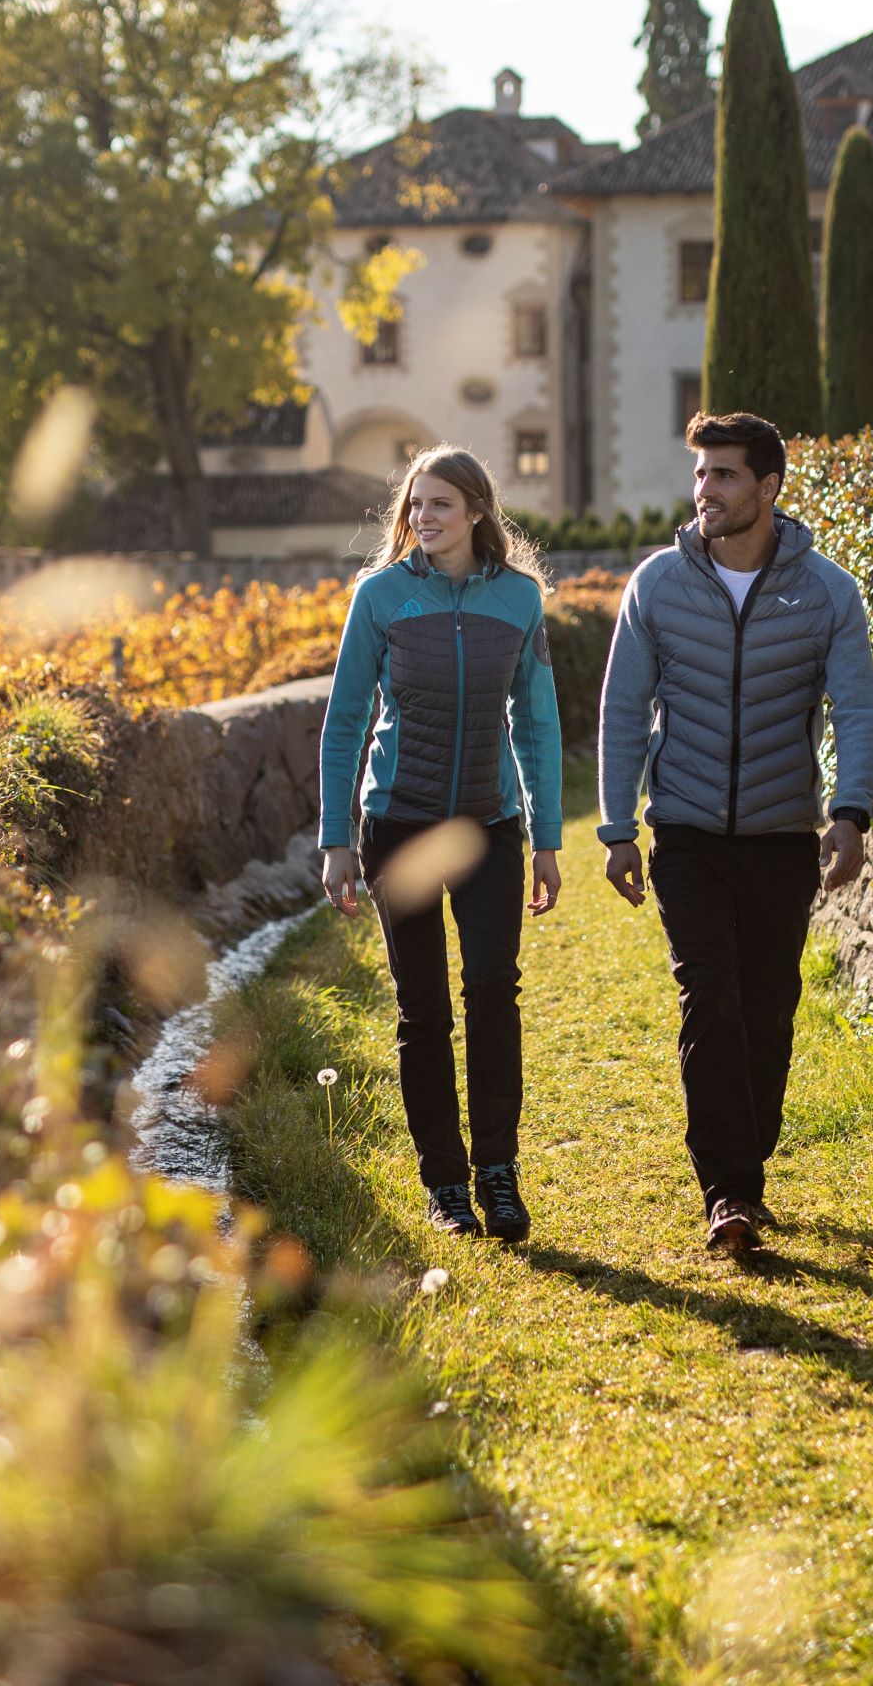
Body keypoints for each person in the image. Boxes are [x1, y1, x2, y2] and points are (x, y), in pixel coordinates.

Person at [596, 410, 873, 1257]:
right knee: (708, 1001)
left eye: (724, 475)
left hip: (781, 833)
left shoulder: (826, 590)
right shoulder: (657, 584)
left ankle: (745, 1165)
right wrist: (617, 828)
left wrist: (850, 812)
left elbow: (856, 710)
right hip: (684, 831)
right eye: (699, 475)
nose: (705, 491)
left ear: (769, 487)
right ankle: (728, 1193)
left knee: (768, 1008)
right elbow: (621, 709)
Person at [319, 446, 564, 1242]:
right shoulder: (380, 597)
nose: (424, 518)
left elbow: (536, 723)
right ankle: (445, 1184)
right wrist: (336, 841)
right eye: (415, 505)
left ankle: (498, 1172)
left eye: (441, 506)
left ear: (477, 513)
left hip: (489, 827)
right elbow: (345, 721)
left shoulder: (520, 600)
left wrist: (547, 837)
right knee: (423, 1012)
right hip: (400, 825)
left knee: (494, 991)